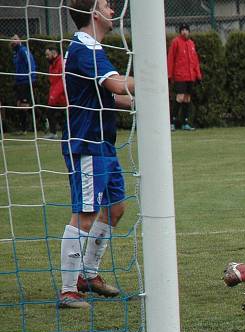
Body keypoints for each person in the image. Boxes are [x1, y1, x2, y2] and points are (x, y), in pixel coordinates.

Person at [58, 0, 135, 308]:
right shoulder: (84, 48)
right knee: (86, 214)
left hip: (104, 142)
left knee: (115, 209)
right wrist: (152, 77)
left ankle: (88, 275)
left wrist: (138, 101)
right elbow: (116, 84)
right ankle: (68, 291)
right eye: (106, 4)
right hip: (87, 143)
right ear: (93, 13)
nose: (113, 10)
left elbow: (107, 96)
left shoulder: (91, 49)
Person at [167, 23, 202, 132]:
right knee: (180, 97)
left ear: (189, 31)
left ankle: (185, 122)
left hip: (190, 76)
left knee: (187, 98)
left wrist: (198, 75)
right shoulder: (176, 42)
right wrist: (169, 75)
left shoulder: (191, 43)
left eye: (186, 30)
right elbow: (171, 59)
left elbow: (195, 60)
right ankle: (172, 122)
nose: (184, 32)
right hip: (180, 76)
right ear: (180, 31)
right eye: (182, 30)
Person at [11, 34, 37, 133]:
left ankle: (28, 127)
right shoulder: (15, 53)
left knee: (24, 106)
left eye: (15, 39)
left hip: (26, 81)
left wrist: (32, 77)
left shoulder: (23, 50)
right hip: (19, 82)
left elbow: (30, 63)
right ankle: (23, 128)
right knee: (19, 105)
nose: (13, 41)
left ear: (20, 40)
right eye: (12, 40)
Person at [44, 47, 67, 140]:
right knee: (50, 112)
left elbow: (63, 80)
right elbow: (53, 82)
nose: (46, 57)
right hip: (56, 95)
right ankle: (53, 133)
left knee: (63, 115)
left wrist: (54, 94)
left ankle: (65, 133)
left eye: (47, 55)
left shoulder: (61, 63)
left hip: (63, 95)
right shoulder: (51, 65)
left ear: (54, 53)